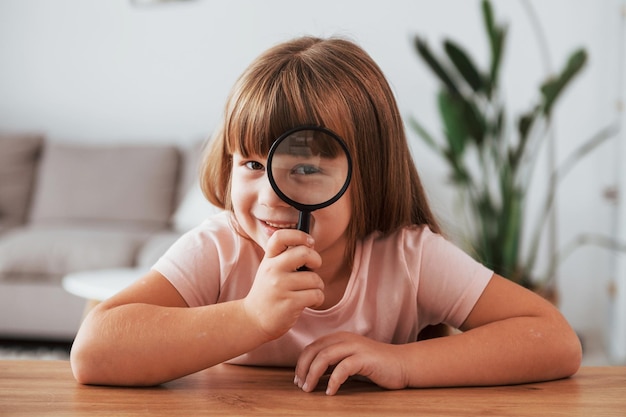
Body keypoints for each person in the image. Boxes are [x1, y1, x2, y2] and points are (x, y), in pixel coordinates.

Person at [70, 36, 582, 395]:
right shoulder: (220, 248)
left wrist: (402, 363)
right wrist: (250, 317)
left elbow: (554, 339)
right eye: (250, 163)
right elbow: (94, 350)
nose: (270, 195)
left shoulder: (406, 255)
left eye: (307, 167)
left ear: (371, 173)